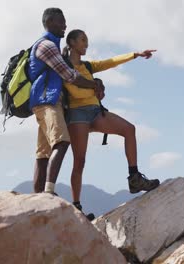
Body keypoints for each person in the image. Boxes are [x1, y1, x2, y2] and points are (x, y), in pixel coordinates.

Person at [62, 29, 160, 216]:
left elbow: (110, 62)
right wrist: (95, 87)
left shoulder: (88, 66)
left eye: (87, 40)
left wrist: (135, 55)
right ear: (72, 42)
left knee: (129, 129)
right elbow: (75, 91)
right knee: (79, 162)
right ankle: (76, 207)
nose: (86, 44)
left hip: (96, 112)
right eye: (83, 40)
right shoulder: (64, 66)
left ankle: (134, 178)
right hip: (76, 115)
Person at [29, 8, 104, 200]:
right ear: (51, 21)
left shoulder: (53, 46)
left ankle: (37, 196)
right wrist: (93, 85)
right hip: (47, 101)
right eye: (62, 21)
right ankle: (48, 191)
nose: (65, 25)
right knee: (62, 141)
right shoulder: (46, 46)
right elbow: (69, 76)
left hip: (47, 101)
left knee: (43, 152)